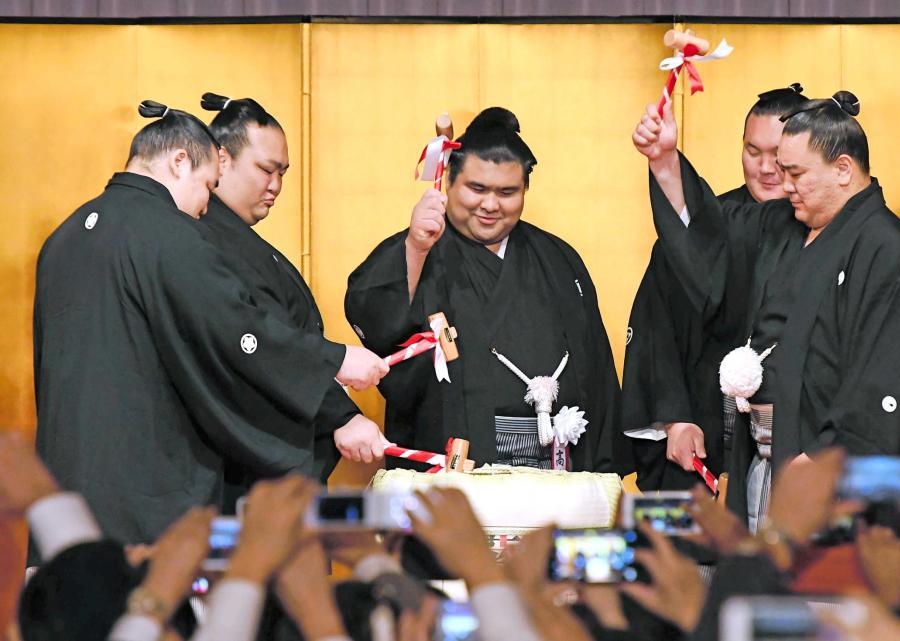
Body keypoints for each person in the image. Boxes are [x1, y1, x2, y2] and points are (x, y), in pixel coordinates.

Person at [33, 100, 388, 550]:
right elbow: (236, 332)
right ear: (180, 161)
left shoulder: (62, 239)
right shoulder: (169, 232)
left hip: (63, 488)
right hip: (141, 495)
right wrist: (333, 361)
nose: (205, 207)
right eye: (207, 186)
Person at [632, 91, 900, 531]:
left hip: (830, 469)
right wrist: (664, 162)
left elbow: (882, 379)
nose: (781, 182)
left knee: (825, 592)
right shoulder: (783, 225)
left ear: (843, 170)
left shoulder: (890, 250)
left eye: (795, 172)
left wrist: (823, 460)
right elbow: (711, 236)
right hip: (766, 456)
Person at [345, 107, 628, 472]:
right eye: (476, 189)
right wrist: (415, 247)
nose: (490, 205)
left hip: (557, 464)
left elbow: (596, 371)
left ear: (526, 189)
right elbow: (376, 318)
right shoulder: (422, 249)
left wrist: (603, 467)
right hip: (457, 464)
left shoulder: (559, 259)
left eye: (507, 192)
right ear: (449, 182)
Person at [195, 93, 387, 499]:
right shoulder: (206, 242)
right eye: (266, 170)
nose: (276, 186)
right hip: (247, 468)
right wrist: (341, 415)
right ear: (221, 159)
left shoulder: (233, 238)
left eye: (282, 173)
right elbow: (261, 344)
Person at [623, 84, 808, 492]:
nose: (765, 168)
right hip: (707, 422)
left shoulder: (825, 232)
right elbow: (659, 326)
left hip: (798, 441)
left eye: (777, 155)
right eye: (752, 151)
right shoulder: (712, 223)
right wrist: (674, 418)